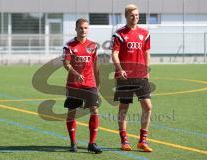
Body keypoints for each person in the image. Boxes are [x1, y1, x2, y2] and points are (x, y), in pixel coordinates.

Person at [111, 4, 153, 152]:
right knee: (124, 108)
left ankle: (142, 141)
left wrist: (147, 70)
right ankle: (124, 141)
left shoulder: (145, 33)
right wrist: (120, 69)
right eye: (132, 15)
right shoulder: (119, 34)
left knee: (148, 106)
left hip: (141, 76)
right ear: (126, 16)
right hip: (125, 77)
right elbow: (114, 54)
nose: (135, 17)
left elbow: (147, 52)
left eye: (137, 15)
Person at [62, 18, 102, 154]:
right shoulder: (69, 46)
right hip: (74, 84)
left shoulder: (93, 46)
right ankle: (73, 142)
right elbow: (66, 64)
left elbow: (96, 65)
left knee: (95, 110)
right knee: (72, 112)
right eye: (80, 28)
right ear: (76, 29)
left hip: (89, 83)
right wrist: (75, 73)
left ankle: (92, 143)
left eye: (85, 28)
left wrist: (98, 83)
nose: (83, 30)